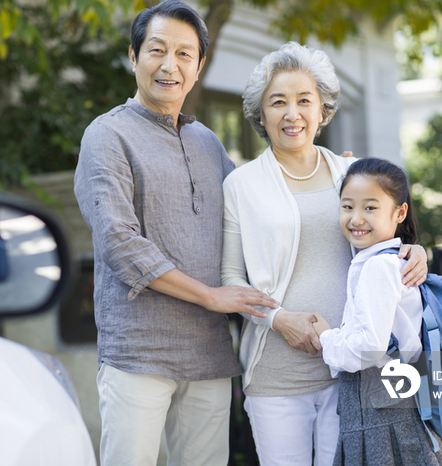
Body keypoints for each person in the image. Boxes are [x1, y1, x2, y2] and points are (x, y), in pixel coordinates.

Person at [73, 1, 278, 465]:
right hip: (138, 352)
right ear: (133, 56)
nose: (170, 65)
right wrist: (210, 296)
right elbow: (119, 243)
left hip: (209, 353)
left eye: (185, 54)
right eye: (157, 50)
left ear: (199, 65)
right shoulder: (107, 135)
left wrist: (333, 179)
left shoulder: (207, 142)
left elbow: (257, 212)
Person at [221, 42, 428, 465]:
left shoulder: (349, 172)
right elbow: (230, 278)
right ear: (261, 113)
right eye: (278, 102)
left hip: (351, 375)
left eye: (304, 101)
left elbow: (386, 231)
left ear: (322, 109)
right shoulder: (241, 184)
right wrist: (280, 320)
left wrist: (414, 250)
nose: (291, 113)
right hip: (275, 374)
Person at [312, 157, 442, 465]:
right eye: (347, 206)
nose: (356, 218)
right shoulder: (384, 261)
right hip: (394, 405)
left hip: (383, 413)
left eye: (370, 208)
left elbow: (371, 347)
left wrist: (327, 339)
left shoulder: (379, 266)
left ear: (400, 212)